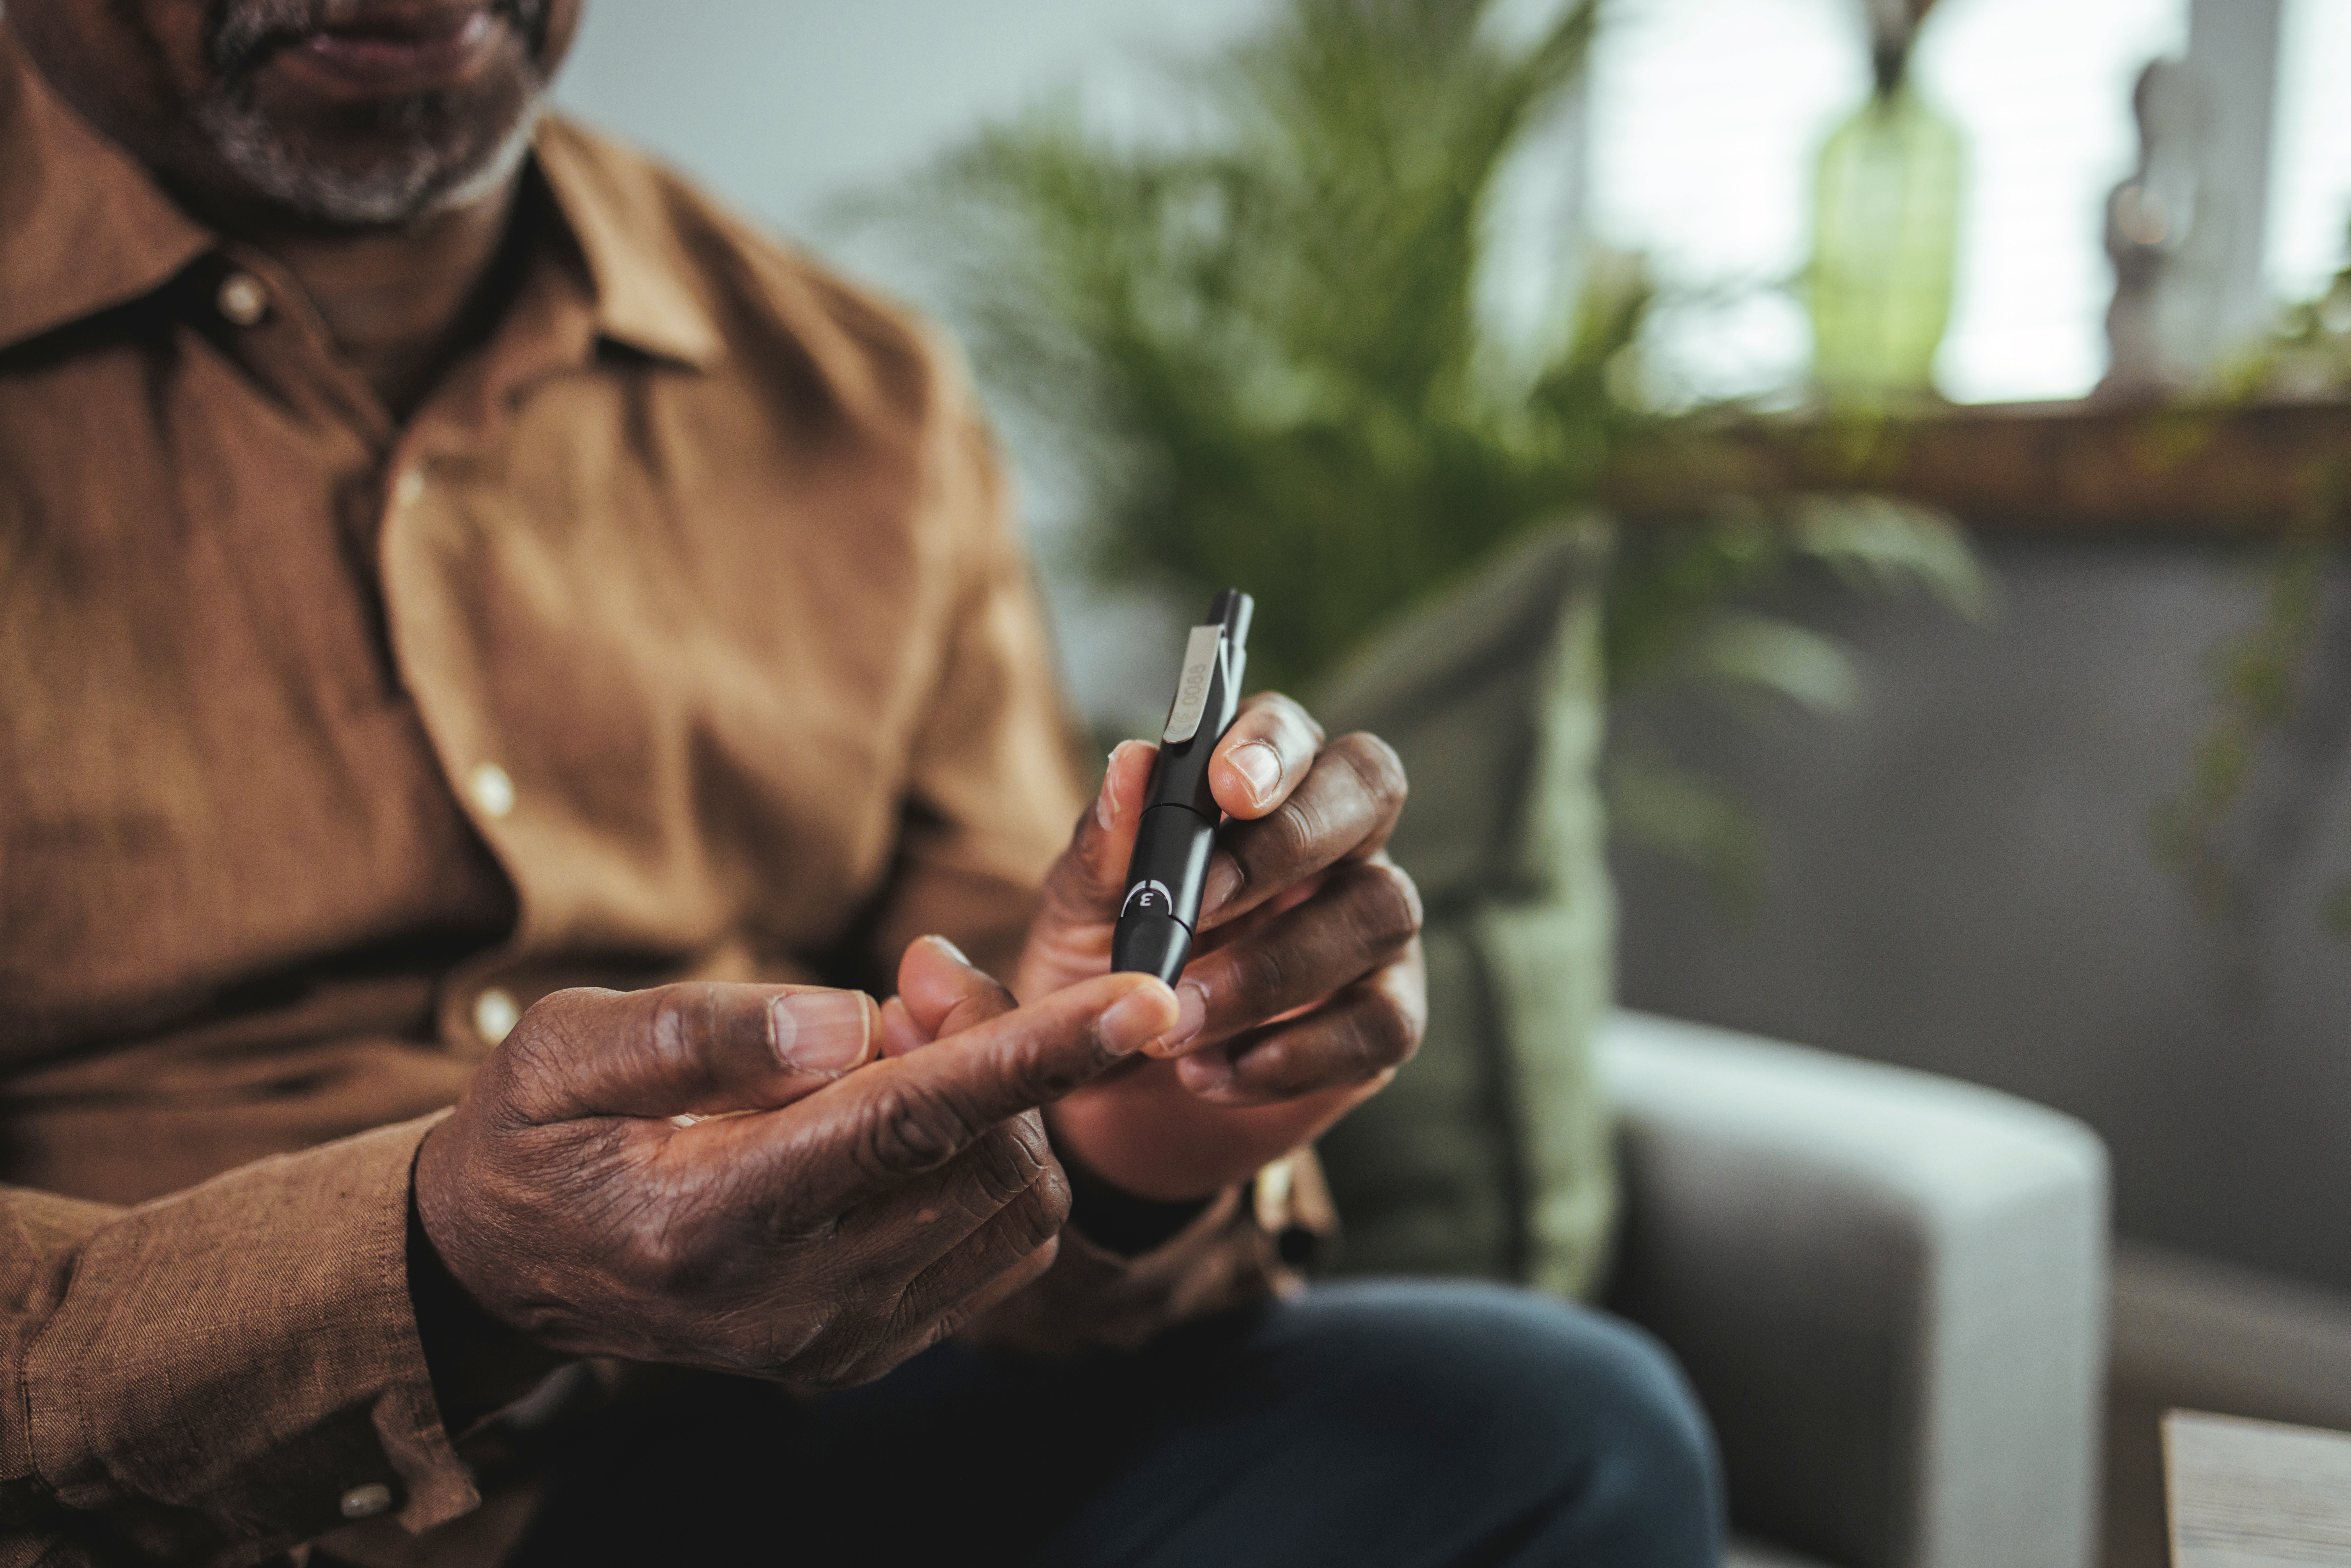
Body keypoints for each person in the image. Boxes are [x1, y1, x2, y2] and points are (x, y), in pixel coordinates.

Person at [0, 2, 1722, 1564]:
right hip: (149, 1528)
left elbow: (1006, 1068)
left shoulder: (863, 399)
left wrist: (1137, 1128)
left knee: (1554, 1429)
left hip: (733, 1459)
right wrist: (444, 1269)